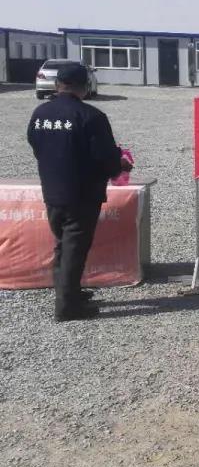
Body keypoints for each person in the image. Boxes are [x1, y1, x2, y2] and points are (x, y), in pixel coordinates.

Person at [27, 63, 131, 321]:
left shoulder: (40, 114)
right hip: (82, 195)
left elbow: (35, 144)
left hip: (52, 191)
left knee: (63, 245)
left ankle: (69, 293)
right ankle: (67, 308)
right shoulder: (91, 117)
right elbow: (106, 157)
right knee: (75, 249)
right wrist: (120, 163)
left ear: (57, 85)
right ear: (84, 87)